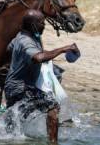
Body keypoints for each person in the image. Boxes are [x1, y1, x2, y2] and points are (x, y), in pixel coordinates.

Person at [5, 10, 79, 143]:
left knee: (14, 122)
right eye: (41, 23)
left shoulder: (20, 36)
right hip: (21, 88)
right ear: (33, 25)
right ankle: (53, 142)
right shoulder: (26, 41)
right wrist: (63, 49)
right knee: (52, 106)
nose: (44, 25)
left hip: (11, 86)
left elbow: (9, 48)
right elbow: (39, 57)